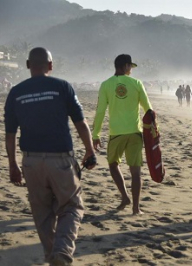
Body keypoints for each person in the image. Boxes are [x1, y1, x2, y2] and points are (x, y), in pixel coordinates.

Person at [4, 47, 96, 265]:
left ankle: (51, 256)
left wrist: (13, 165)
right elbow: (80, 123)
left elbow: (9, 133)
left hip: (31, 161)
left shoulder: (16, 92)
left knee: (42, 213)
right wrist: (90, 150)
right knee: (71, 206)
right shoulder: (61, 87)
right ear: (51, 65)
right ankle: (62, 252)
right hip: (60, 160)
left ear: (28, 65)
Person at [92, 54, 152, 215]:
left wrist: (95, 135)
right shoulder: (137, 83)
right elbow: (149, 110)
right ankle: (136, 208)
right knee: (136, 171)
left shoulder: (106, 85)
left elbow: (100, 111)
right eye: (130, 66)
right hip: (135, 133)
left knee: (113, 164)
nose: (131, 69)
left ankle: (125, 196)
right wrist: (154, 130)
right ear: (125, 66)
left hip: (116, 133)